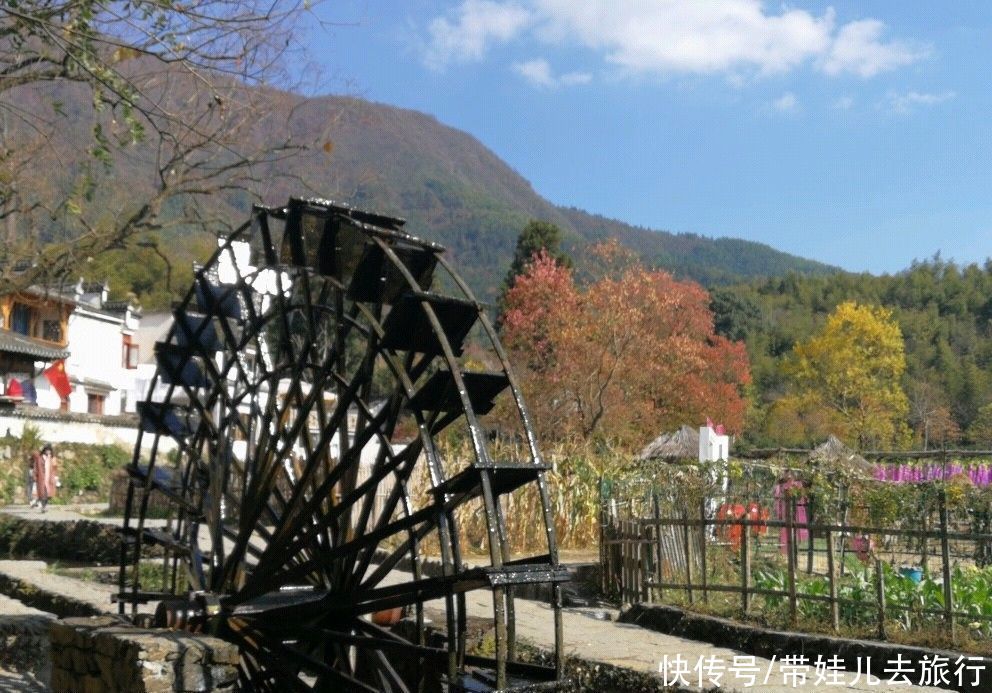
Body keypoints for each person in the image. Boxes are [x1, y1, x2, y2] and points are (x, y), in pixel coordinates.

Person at [32, 444, 59, 513]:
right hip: (41, 478)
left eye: (49, 451)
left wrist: (55, 477)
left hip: (49, 478)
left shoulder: (52, 458)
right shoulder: (39, 458)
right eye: (47, 450)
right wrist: (34, 476)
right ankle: (43, 507)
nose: (48, 452)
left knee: (48, 495)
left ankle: (44, 505)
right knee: (42, 494)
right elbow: (36, 467)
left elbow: (54, 468)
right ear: (44, 451)